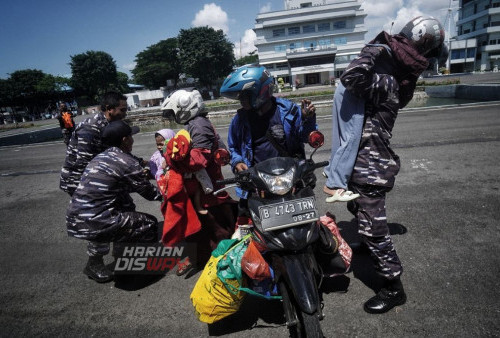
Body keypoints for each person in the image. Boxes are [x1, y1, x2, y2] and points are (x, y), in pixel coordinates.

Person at [326, 17, 447, 313]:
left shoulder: (386, 82)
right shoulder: (395, 81)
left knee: (374, 229)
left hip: (371, 166)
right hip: (365, 161)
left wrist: (376, 46)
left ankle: (393, 288)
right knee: (357, 209)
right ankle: (368, 249)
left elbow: (351, 76)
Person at [66, 120, 162, 283]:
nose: (133, 139)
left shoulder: (100, 158)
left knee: (123, 213)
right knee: (149, 224)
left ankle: (96, 264)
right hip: (96, 221)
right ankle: (134, 268)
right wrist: (171, 194)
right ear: (125, 139)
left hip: (77, 219)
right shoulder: (126, 162)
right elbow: (149, 193)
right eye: (131, 136)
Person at [219, 64, 317, 221]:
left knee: (309, 224)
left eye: (246, 95)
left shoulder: (289, 110)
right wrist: (237, 162)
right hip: (257, 184)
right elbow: (234, 147)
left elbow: (304, 137)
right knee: (246, 228)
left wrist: (307, 119)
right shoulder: (239, 120)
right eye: (240, 96)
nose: (241, 100)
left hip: (289, 181)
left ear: (260, 91)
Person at [160, 89, 236, 276]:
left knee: (215, 229)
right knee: (205, 230)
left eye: (174, 112)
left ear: (183, 107)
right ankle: (209, 262)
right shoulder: (197, 123)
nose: (174, 117)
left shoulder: (199, 125)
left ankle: (223, 269)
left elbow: (197, 160)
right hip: (205, 188)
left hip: (208, 191)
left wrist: (171, 158)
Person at [60, 91, 128, 282]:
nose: (125, 113)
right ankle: (94, 264)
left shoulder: (112, 125)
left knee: (125, 207)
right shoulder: (90, 128)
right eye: (122, 109)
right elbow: (85, 164)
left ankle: (121, 252)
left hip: (102, 177)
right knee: (101, 220)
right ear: (109, 109)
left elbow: (116, 153)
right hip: (81, 181)